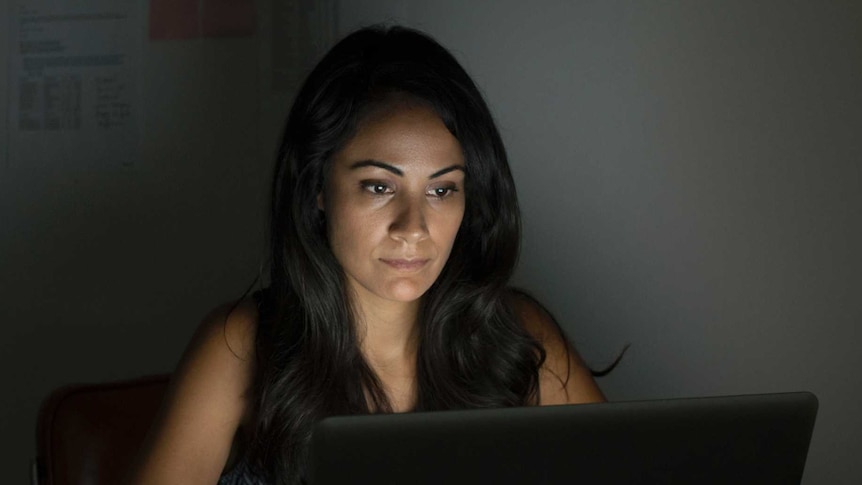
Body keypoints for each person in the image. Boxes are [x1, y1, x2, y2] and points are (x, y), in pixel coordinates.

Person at [128, 25, 606, 485]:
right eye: (379, 186)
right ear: (318, 188)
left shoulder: (516, 334)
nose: (413, 228)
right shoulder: (240, 346)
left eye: (442, 190)